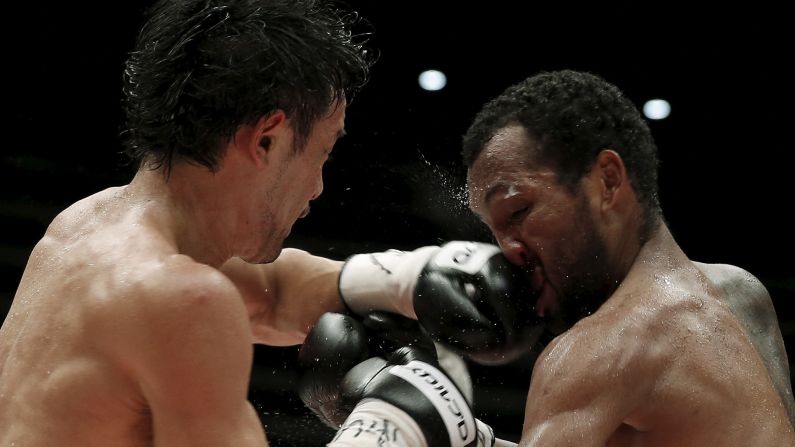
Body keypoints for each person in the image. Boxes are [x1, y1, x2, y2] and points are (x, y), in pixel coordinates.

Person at [0, 0, 374, 445]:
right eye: (323, 153)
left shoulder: (84, 225)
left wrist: (414, 281)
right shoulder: (185, 298)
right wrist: (385, 435)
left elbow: (274, 295)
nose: (317, 187)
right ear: (267, 139)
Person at [458, 69, 794, 445]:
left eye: (517, 211)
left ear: (608, 181)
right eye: (493, 230)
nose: (506, 250)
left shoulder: (599, 350)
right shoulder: (743, 291)